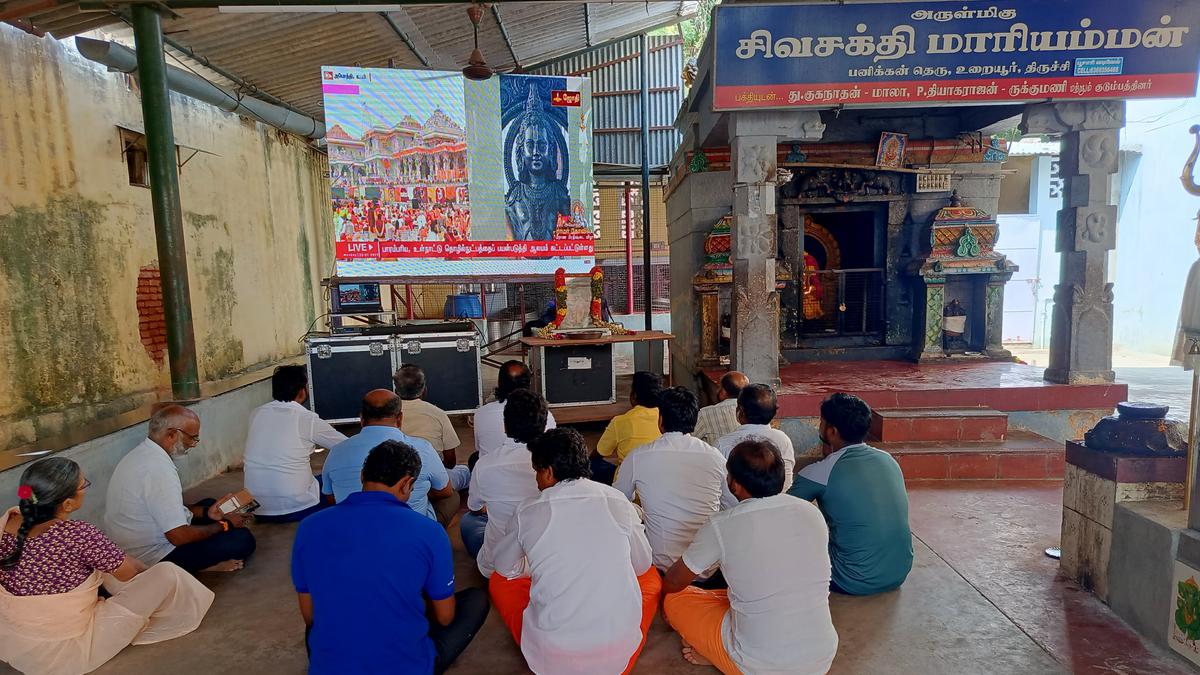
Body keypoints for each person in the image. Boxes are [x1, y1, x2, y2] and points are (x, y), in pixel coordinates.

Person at [0, 458, 214, 675]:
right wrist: (136, 566)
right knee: (167, 573)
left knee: (103, 565)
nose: (85, 488)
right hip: (64, 653)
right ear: (67, 504)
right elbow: (128, 573)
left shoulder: (8, 521)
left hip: (16, 643)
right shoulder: (77, 534)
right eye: (83, 485)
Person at [293, 441, 488, 675]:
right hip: (408, 667)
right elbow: (445, 618)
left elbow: (309, 615)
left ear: (363, 475)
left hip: (331, 667)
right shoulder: (429, 531)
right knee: (475, 600)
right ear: (407, 485)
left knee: (328, 610)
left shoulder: (310, 527)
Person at [489, 428, 661, 675]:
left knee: (499, 580)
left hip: (552, 660)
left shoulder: (528, 510)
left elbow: (505, 567)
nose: (536, 479)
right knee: (651, 577)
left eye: (536, 471)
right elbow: (642, 565)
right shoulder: (617, 500)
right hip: (617, 656)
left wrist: (535, 567)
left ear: (548, 472)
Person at [662, 439, 838, 675]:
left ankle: (719, 655)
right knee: (745, 594)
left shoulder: (722, 525)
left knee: (675, 601)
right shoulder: (811, 513)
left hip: (760, 666)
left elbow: (673, 583)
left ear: (734, 484)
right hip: (821, 656)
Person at [105, 406, 256, 574]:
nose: (193, 444)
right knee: (242, 539)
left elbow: (167, 507)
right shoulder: (158, 470)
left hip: (134, 545)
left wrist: (208, 513)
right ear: (172, 434)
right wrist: (225, 525)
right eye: (192, 438)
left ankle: (207, 538)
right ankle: (197, 567)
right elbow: (178, 537)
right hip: (153, 558)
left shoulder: (142, 454)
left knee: (209, 505)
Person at [789, 393, 913, 596]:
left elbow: (779, 512)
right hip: (899, 573)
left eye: (821, 423)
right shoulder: (888, 460)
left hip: (850, 579)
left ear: (832, 432)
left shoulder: (820, 471)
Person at [614, 387, 726, 575]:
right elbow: (732, 504)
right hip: (710, 568)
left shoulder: (639, 456)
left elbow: (618, 501)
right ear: (694, 420)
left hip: (662, 566)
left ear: (661, 421)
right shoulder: (715, 457)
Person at [322, 390, 458, 525]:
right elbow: (445, 491)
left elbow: (331, 497)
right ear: (399, 419)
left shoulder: (337, 451)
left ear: (362, 418)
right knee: (452, 496)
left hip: (353, 527)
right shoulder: (423, 449)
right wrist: (423, 492)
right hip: (413, 526)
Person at [243, 365, 347, 522]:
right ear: (302, 391)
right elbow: (349, 447)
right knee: (336, 478)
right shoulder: (306, 418)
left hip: (258, 509)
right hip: (298, 508)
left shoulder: (256, 413)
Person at [463, 389, 546, 571]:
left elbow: (475, 508)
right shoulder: (554, 467)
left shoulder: (484, 465)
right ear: (544, 425)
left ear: (505, 426)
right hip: (543, 564)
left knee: (468, 521)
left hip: (500, 568)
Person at [394, 364, 471, 491]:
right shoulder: (438, 414)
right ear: (424, 390)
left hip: (397, 479)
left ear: (396, 391)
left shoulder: (389, 414)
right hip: (434, 480)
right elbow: (450, 462)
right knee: (465, 471)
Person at [715, 384, 796, 502]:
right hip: (775, 507)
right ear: (775, 412)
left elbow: (716, 489)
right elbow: (787, 484)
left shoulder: (721, 444)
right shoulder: (783, 439)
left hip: (732, 513)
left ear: (740, 411)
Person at [473, 361, 557, 459]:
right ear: (529, 384)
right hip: (534, 469)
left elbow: (479, 448)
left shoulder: (481, 414)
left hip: (491, 467)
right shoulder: (546, 414)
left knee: (474, 458)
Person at [594, 371, 664, 485]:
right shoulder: (665, 419)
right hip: (658, 484)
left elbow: (600, 452)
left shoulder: (620, 421)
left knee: (592, 465)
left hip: (627, 488)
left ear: (633, 396)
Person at [694, 371, 748, 446]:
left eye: (719, 387)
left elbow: (689, 440)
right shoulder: (754, 413)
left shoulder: (705, 414)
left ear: (723, 392)